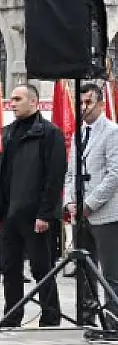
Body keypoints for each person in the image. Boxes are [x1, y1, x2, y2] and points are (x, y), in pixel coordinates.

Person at [0, 84, 65, 327]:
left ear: (33, 102)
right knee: (9, 267)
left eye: (18, 99)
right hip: (10, 214)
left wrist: (45, 213)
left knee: (41, 268)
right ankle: (12, 315)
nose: (12, 103)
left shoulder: (49, 133)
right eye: (11, 99)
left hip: (36, 215)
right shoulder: (9, 132)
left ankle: (50, 315)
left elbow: (54, 177)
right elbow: (4, 175)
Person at [64, 82, 118, 323]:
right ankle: (88, 317)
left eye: (89, 102)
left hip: (105, 213)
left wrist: (90, 203)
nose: (84, 108)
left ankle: (112, 319)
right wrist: (70, 202)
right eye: (81, 102)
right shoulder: (78, 133)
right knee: (85, 270)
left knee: (110, 271)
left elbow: (114, 174)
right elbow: (70, 173)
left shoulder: (112, 132)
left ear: (101, 104)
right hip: (80, 214)